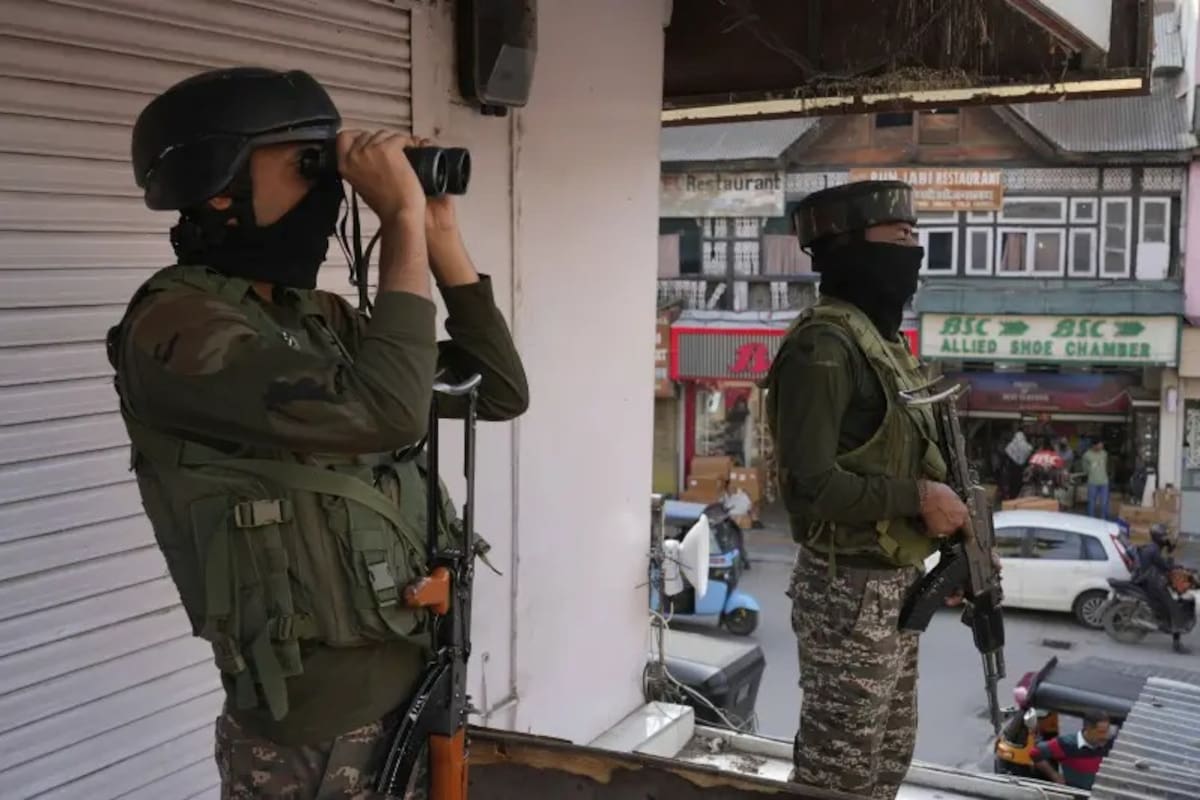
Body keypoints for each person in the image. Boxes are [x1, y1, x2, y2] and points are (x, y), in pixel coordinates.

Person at [107, 68, 529, 798]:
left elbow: (495, 390)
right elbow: (390, 410)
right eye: (310, 164)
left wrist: (439, 239)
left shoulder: (316, 319)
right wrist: (397, 224)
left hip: (416, 684)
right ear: (218, 187)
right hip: (310, 734)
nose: (334, 187)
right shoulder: (175, 328)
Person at [760, 180, 971, 800]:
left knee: (886, 761)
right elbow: (810, 484)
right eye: (898, 238)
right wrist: (917, 499)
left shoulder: (881, 343)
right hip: (847, 590)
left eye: (914, 236)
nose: (913, 250)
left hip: (891, 584)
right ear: (848, 248)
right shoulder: (824, 348)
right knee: (838, 776)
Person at [1135, 524, 1191, 654]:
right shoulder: (1153, 551)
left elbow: (1166, 552)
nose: (1166, 537)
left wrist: (1169, 545)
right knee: (1174, 608)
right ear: (1158, 537)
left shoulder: (1154, 546)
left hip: (1153, 578)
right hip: (1153, 583)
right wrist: (1178, 567)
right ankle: (1176, 643)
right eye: (1164, 536)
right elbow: (1166, 567)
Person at [1030, 709, 1114, 790]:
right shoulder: (1066, 744)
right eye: (1101, 732)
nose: (1105, 736)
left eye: (1107, 731)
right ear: (1088, 729)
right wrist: (1054, 775)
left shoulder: (1111, 745)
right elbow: (1035, 753)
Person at [1080, 440, 1110, 519]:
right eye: (1100, 445)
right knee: (1091, 503)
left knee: (1104, 502)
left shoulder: (1104, 453)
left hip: (1104, 482)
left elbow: (1105, 466)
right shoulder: (1086, 455)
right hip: (1092, 482)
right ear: (1094, 445)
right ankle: (1091, 520)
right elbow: (1085, 469)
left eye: (1102, 445)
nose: (1101, 446)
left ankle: (1103, 520)